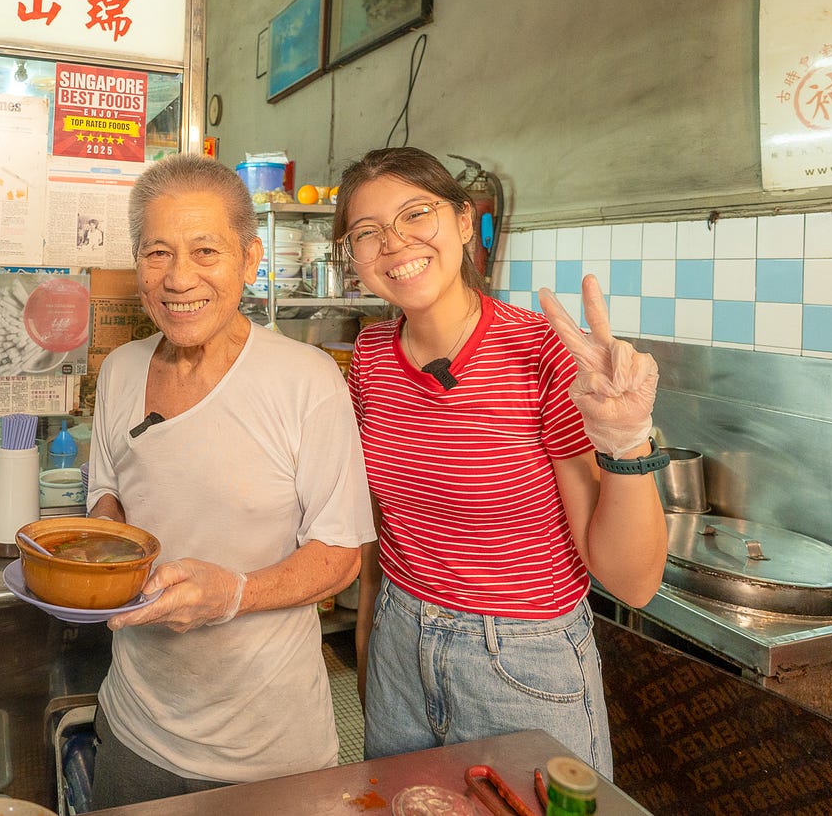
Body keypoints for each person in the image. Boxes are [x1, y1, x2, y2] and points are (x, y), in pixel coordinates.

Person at [332, 147, 666, 776]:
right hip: (399, 645)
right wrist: (371, 643)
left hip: (521, 657)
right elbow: (382, 528)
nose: (395, 243)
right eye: (366, 233)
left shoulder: (542, 351)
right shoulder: (371, 356)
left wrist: (626, 441)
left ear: (464, 222)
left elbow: (632, 581)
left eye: (415, 215)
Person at [85, 153, 374, 809]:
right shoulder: (120, 372)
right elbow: (108, 491)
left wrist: (234, 593)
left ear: (250, 260)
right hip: (134, 728)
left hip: (266, 755)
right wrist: (98, 548)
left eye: (204, 250)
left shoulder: (306, 381)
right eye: (158, 252)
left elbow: (340, 557)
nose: (179, 277)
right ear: (138, 267)